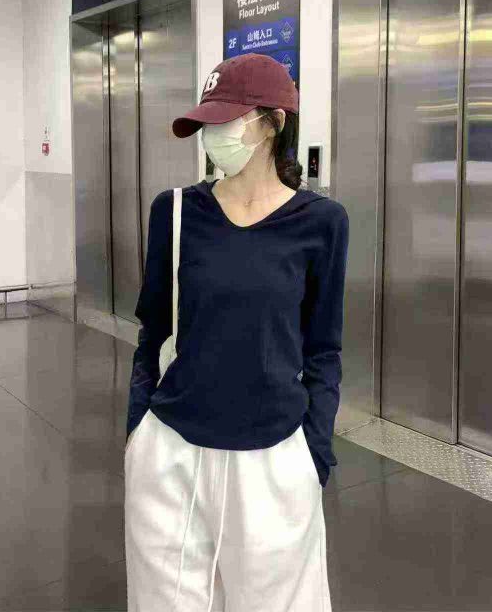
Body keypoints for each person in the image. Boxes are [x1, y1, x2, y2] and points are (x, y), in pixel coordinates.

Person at [124, 52, 349, 612]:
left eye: (227, 119)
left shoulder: (321, 223)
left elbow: (323, 349)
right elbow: (152, 331)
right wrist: (136, 430)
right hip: (172, 449)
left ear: (273, 123)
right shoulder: (175, 212)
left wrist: (314, 453)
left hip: (274, 457)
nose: (212, 134)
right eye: (207, 121)